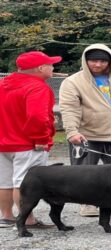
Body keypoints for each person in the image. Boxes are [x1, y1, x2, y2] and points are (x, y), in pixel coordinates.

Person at [59, 43, 111, 217]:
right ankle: (87, 204)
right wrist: (72, 131)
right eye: (93, 61)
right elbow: (69, 108)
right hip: (86, 135)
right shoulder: (73, 81)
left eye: (102, 61)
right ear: (85, 61)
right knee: (84, 173)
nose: (98, 65)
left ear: (110, 61)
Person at [0, 51, 61, 228]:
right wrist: (41, 137)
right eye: (50, 64)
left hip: (3, 141)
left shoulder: (3, 84)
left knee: (4, 181)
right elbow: (36, 116)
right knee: (24, 182)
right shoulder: (38, 87)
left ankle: (7, 216)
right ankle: (27, 219)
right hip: (27, 143)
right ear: (41, 68)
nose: (53, 67)